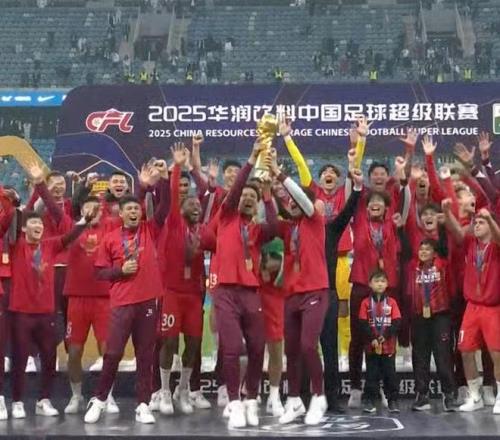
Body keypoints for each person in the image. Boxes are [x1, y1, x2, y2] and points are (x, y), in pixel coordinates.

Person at [8, 163, 98, 419]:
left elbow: (69, 233)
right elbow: (23, 216)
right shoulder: (17, 245)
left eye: (62, 186)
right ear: (25, 228)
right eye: (33, 224)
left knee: (50, 354)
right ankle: (16, 401)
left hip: (48, 308)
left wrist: (84, 219)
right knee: (20, 356)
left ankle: (45, 399)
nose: (38, 226)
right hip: (22, 311)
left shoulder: (50, 244)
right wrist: (38, 185)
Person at [277, 164, 364, 426]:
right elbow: (286, 209)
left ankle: (331, 399)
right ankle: (302, 398)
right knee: (303, 348)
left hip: (326, 293)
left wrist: (357, 187)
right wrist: (273, 190)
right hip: (299, 293)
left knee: (327, 347)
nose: (319, 205)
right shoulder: (294, 228)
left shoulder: (330, 229)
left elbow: (348, 209)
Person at [84, 161, 169, 424]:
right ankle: (99, 399)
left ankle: (143, 404)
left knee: (145, 355)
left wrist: (163, 179)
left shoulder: (149, 229)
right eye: (128, 209)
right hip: (122, 303)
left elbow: (165, 206)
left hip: (147, 301)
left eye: (136, 208)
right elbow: (100, 273)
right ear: (120, 213)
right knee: (113, 354)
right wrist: (120, 270)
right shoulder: (110, 238)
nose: (133, 212)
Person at [212, 141, 277, 429]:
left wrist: (268, 196)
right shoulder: (226, 217)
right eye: (244, 195)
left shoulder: (257, 229)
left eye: (253, 196)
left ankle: (251, 399)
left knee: (257, 347)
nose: (248, 198)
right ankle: (234, 402)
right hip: (225, 291)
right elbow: (237, 188)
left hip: (251, 292)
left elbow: (274, 227)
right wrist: (251, 159)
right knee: (232, 347)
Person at [153, 144, 213, 415]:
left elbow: (221, 245)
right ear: (181, 207)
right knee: (169, 342)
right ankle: (165, 391)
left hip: (193, 295)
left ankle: (184, 389)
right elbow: (174, 194)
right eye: (192, 204)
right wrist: (177, 166)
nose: (196, 207)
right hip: (172, 293)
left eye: (199, 205)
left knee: (194, 343)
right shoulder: (174, 222)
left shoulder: (203, 231)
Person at [442, 201, 500, 414]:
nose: (476, 225)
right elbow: (457, 232)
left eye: (481, 223)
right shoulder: (471, 244)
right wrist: (447, 212)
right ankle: (475, 396)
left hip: (492, 307)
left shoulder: (495, 246)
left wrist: (490, 218)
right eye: (475, 223)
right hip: (472, 306)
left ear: (491, 225)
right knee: (465, 350)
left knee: (496, 353)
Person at [63, 196, 118, 415]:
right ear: (81, 210)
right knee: (74, 351)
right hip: (77, 299)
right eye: (88, 208)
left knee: (107, 350)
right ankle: (76, 396)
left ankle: (107, 396)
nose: (92, 212)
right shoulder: (72, 229)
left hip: (104, 299)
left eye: (97, 208)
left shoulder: (110, 227)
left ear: (102, 211)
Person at [399, 213, 459, 411]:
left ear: (435, 253)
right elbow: (405, 249)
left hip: (440, 316)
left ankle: (449, 395)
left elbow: (444, 244)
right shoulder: (412, 267)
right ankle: (422, 395)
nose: (423, 251)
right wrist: (400, 228)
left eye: (428, 249)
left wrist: (441, 226)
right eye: (421, 249)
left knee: (443, 356)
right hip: (418, 317)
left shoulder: (442, 264)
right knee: (420, 356)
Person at [359, 269, 401, 413]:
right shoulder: (365, 303)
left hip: (388, 346)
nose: (380, 284)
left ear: (387, 284)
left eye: (383, 281)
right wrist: (372, 338)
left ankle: (393, 400)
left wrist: (385, 336)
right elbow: (363, 323)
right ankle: (369, 400)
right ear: (370, 284)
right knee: (371, 375)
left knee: (390, 375)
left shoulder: (392, 302)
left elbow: (396, 322)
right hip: (372, 347)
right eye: (376, 281)